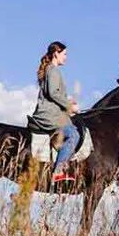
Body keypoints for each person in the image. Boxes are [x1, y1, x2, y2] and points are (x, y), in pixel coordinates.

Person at [28, 41, 80, 184]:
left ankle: (60, 149)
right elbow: (53, 93)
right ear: (56, 53)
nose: (66, 57)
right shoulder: (54, 70)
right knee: (74, 134)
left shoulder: (50, 70)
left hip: (52, 113)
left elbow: (55, 95)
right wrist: (70, 106)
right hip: (49, 116)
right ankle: (58, 171)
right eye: (64, 54)